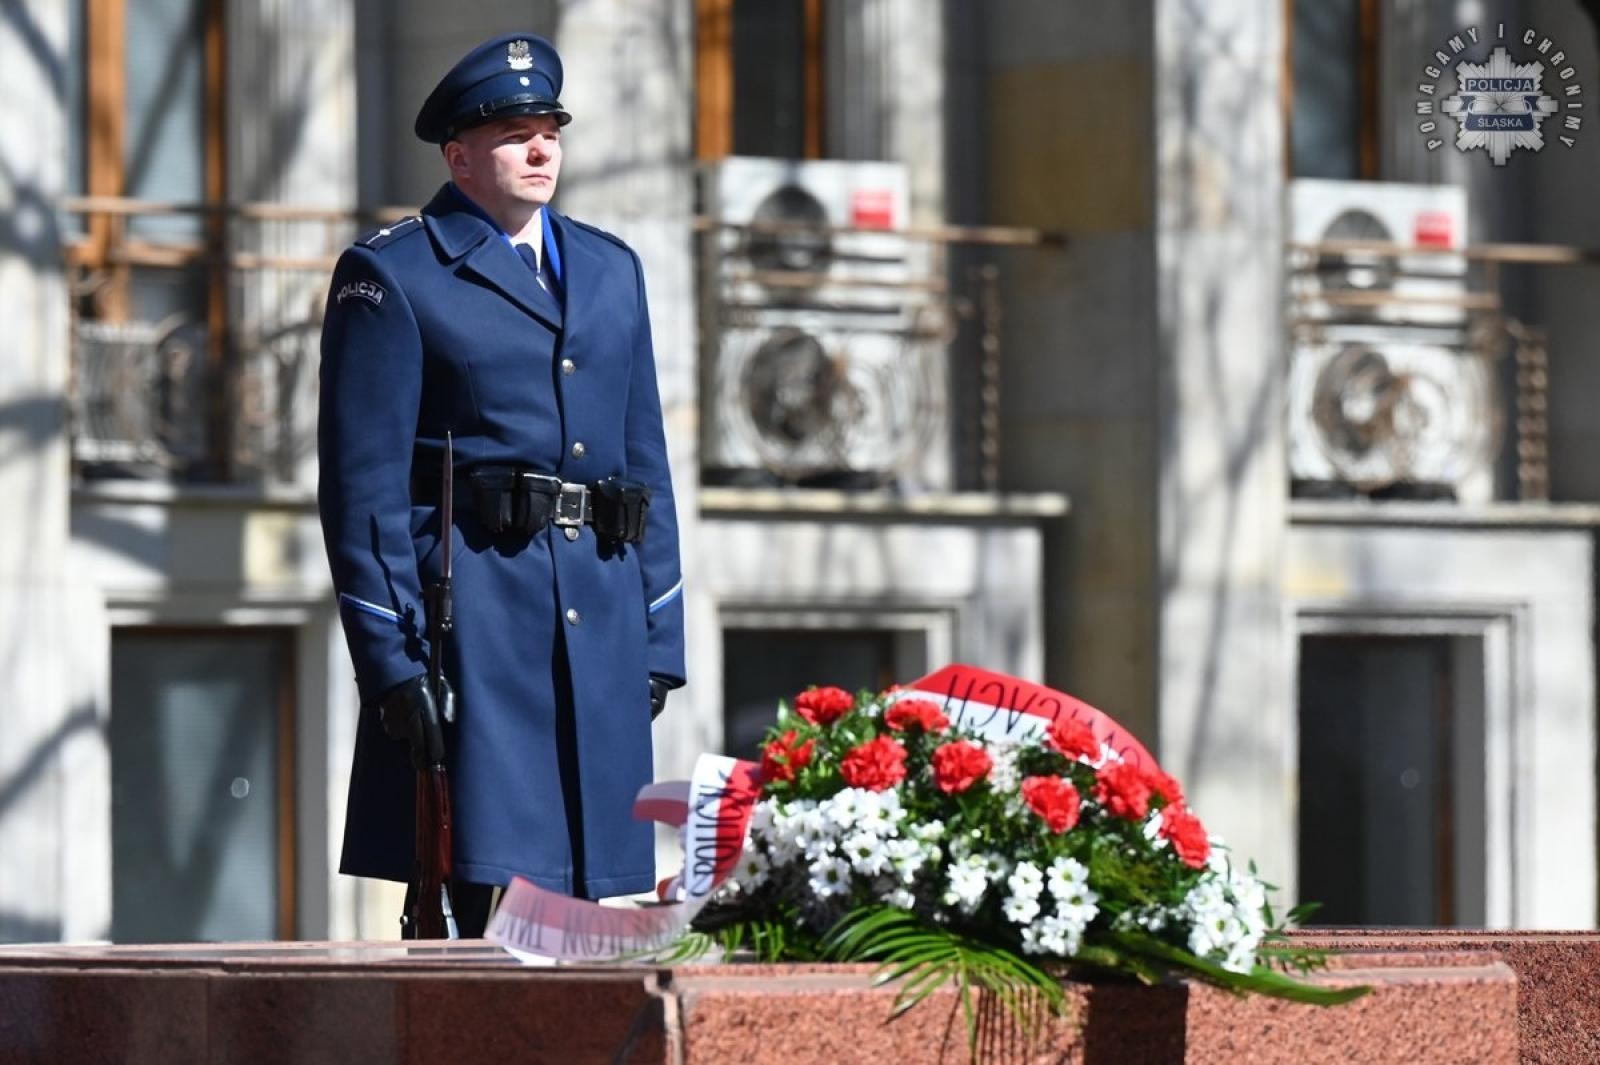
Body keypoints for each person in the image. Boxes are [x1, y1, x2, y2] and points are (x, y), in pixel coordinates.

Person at [317, 31, 686, 936]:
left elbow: (646, 461)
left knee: (593, 905)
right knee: (485, 905)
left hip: (598, 620)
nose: (540, 148)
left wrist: (659, 633)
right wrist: (392, 664)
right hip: (475, 624)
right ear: (458, 156)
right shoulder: (394, 274)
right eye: (513, 132)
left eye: (550, 130)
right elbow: (363, 491)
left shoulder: (609, 269)